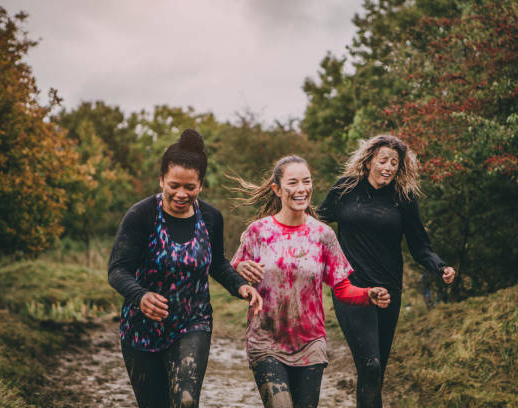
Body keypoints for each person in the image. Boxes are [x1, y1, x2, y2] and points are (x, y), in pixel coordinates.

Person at [108, 129, 262, 408]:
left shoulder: (211, 217)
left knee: (186, 401)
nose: (181, 193)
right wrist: (141, 296)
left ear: (201, 184)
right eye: (174, 185)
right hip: (141, 328)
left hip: (193, 323)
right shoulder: (141, 215)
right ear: (161, 180)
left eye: (189, 187)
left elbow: (216, 263)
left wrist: (240, 285)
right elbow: (117, 270)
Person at [230, 155, 391, 408]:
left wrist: (366, 294)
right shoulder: (258, 232)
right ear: (277, 189)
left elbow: (341, 288)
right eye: (292, 183)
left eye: (306, 181)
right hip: (266, 340)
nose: (301, 189)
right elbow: (232, 275)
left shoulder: (322, 235)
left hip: (310, 344)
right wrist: (240, 270)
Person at [316, 134, 456, 408]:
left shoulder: (403, 198)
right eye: (383, 160)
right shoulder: (345, 189)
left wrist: (440, 267)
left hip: (389, 292)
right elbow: (315, 223)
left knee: (376, 372)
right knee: (370, 364)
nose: (389, 167)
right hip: (351, 288)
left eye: (395, 162)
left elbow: (420, 245)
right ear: (368, 161)